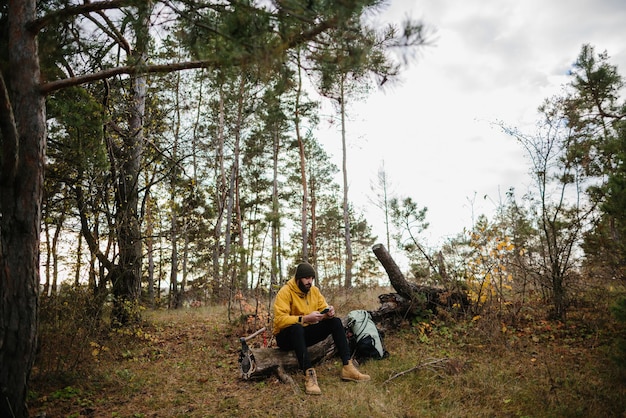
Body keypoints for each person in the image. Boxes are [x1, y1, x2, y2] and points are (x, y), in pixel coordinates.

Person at [273, 262, 370, 395]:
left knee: (335, 322)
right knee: (297, 328)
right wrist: (304, 318)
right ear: (298, 279)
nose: (310, 281)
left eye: (312, 278)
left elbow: (322, 308)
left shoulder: (314, 291)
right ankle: (309, 374)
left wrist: (328, 313)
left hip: (304, 334)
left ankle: (348, 367)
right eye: (306, 278)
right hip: (286, 337)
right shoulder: (285, 292)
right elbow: (279, 320)